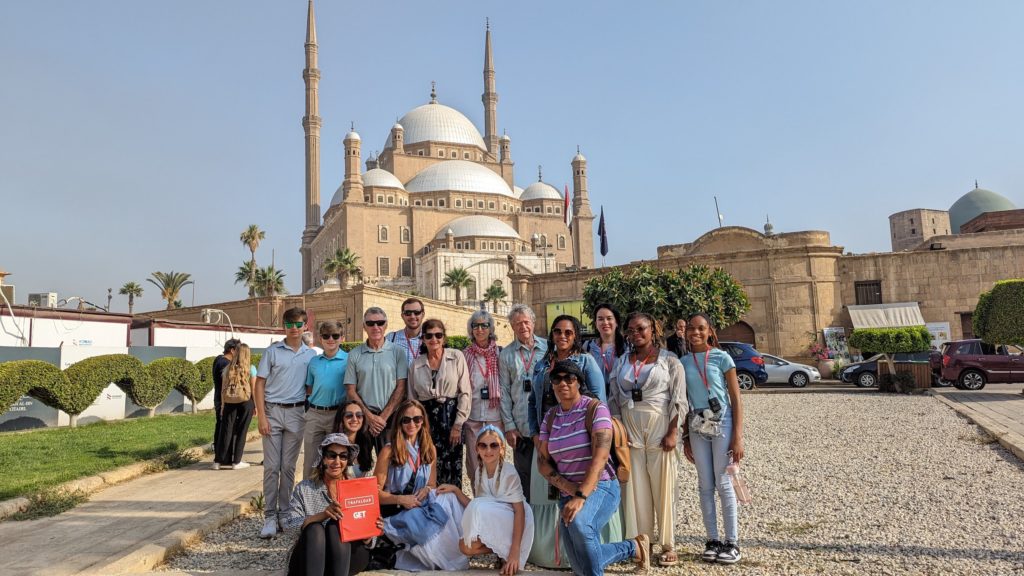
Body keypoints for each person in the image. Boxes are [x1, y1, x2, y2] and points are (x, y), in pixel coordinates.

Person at [537, 361, 649, 576]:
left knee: (580, 524)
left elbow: (600, 457)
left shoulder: (595, 409)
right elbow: (542, 462)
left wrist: (580, 495)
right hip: (567, 493)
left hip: (602, 487)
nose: (563, 383)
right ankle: (633, 547)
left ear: (579, 382)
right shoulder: (550, 417)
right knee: (580, 566)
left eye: (569, 378)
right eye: (557, 379)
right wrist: (569, 488)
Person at [527, 317, 612, 569]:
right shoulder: (542, 364)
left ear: (576, 335)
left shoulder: (586, 361)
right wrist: (535, 434)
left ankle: (580, 553)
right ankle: (551, 554)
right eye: (557, 331)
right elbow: (533, 401)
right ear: (551, 334)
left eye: (568, 332)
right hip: (547, 439)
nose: (562, 336)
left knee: (580, 494)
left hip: (577, 441)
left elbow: (598, 399)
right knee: (549, 494)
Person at [608, 312, 687, 566]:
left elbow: (679, 399)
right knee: (635, 490)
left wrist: (674, 431)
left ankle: (668, 543)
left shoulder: (670, 362)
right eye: (630, 330)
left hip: (660, 430)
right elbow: (614, 400)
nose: (635, 334)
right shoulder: (622, 362)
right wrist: (619, 433)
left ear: (653, 329)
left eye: (641, 329)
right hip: (630, 433)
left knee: (664, 487)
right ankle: (642, 542)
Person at [680, 312, 745, 565]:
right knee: (704, 484)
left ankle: (732, 542)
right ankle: (713, 540)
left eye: (701, 328)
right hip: (697, 422)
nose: (695, 333)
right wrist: (685, 436)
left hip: (723, 419)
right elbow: (683, 400)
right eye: (691, 329)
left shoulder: (722, 357)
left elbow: (736, 398)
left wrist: (738, 437)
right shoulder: (683, 361)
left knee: (724, 481)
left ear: (710, 331)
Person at [375, 400, 469, 571]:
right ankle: (427, 556)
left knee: (450, 498)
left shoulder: (429, 448)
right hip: (397, 506)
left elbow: (432, 484)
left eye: (417, 419)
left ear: (423, 421)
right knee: (418, 521)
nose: (412, 424)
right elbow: (374, 494)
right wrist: (402, 499)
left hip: (419, 502)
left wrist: (427, 489)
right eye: (406, 420)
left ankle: (457, 550)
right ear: (399, 422)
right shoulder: (389, 451)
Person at [255, 307, 318, 539]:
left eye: (298, 324)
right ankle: (269, 515)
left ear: (305, 327)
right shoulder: (272, 352)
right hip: (273, 410)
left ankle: (285, 513)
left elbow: (312, 386)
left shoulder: (310, 356)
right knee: (272, 467)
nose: (294, 329)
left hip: (296, 413)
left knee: (289, 467)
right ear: (284, 326)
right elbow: (259, 383)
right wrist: (261, 415)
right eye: (289, 325)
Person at [284, 434, 381, 576]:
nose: (337, 461)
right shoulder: (305, 488)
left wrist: (371, 531)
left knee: (335, 526)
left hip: (347, 556)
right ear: (323, 458)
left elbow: (370, 540)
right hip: (311, 557)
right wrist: (321, 516)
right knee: (315, 528)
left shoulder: (358, 489)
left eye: (343, 456)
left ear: (347, 461)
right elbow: (289, 527)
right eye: (331, 455)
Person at [451, 425, 533, 575]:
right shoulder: (479, 472)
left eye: (494, 445)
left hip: (515, 520)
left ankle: (510, 551)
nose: (488, 451)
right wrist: (455, 490)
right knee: (465, 546)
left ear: (502, 448)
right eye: (483, 445)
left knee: (477, 511)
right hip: (497, 520)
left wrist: (515, 553)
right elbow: (477, 507)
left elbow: (519, 511)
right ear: (477, 449)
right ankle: (501, 550)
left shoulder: (508, 472)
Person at [408, 319, 470, 487]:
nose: (434, 339)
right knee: (427, 464)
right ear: (423, 339)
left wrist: (458, 424)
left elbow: (465, 392)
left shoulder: (456, 357)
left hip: (450, 419)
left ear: (444, 338)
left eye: (438, 335)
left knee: (452, 465)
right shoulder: (416, 364)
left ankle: (452, 508)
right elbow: (412, 399)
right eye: (429, 335)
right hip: (426, 421)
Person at [344, 307, 409, 456]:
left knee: (390, 464)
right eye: (371, 323)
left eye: (380, 323)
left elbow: (401, 387)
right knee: (360, 465)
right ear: (364, 326)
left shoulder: (397, 352)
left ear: (386, 325)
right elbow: (350, 390)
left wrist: (382, 418)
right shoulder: (354, 354)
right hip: (363, 419)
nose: (376, 327)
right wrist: (370, 417)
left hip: (390, 419)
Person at [498, 304, 546, 501]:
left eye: (526, 322)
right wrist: (509, 426)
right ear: (512, 327)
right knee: (524, 478)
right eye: (517, 323)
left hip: (546, 426)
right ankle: (528, 523)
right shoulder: (506, 355)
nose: (523, 327)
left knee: (548, 477)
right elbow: (504, 392)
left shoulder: (548, 348)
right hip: (521, 428)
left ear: (533, 323)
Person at [302, 320, 349, 480]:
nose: (331, 339)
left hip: (337, 415)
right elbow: (309, 388)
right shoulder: (314, 361)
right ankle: (307, 500)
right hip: (315, 414)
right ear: (320, 339)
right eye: (326, 336)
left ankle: (334, 499)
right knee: (310, 461)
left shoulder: (349, 360)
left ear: (342, 338)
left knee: (336, 461)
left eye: (335, 336)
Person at [462, 310, 503, 486]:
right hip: (473, 416)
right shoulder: (465, 355)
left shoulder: (500, 353)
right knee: (474, 463)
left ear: (490, 328)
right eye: (475, 325)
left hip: (495, 415)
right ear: (471, 329)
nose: (480, 329)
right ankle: (479, 498)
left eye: (484, 325)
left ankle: (497, 497)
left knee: (496, 459)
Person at [217, 342, 257, 470]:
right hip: (245, 402)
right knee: (241, 431)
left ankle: (218, 461)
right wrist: (256, 406)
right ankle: (237, 461)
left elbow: (223, 389)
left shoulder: (228, 368)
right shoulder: (251, 369)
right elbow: (254, 389)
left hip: (229, 402)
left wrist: (223, 406)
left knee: (226, 430)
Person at [584, 304, 626, 398]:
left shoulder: (627, 347)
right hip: (596, 401)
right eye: (600, 319)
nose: (605, 322)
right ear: (595, 323)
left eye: (609, 318)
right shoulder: (587, 347)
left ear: (616, 322)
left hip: (621, 401)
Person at [212, 338, 241, 470]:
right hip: (224, 400)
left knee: (221, 427)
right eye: (238, 350)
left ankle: (221, 457)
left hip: (220, 399)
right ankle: (222, 457)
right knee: (225, 429)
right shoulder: (225, 363)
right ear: (232, 350)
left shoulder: (218, 360)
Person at [333, 399, 375, 478]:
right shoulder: (332, 444)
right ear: (341, 419)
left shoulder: (367, 444)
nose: (355, 419)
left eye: (359, 415)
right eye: (349, 415)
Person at [386, 297, 424, 365]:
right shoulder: (390, 339)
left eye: (416, 312)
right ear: (402, 316)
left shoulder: (431, 339)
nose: (412, 316)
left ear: (423, 314)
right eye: (408, 313)